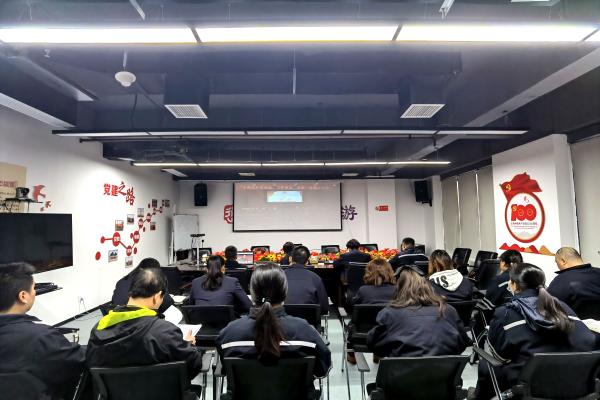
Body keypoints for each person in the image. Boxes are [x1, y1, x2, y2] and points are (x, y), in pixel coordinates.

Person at [475, 263, 596, 400]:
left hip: (528, 388)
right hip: (574, 384)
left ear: (514, 285)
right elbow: (587, 343)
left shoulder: (505, 313)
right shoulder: (563, 307)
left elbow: (499, 356)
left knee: (487, 364)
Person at [216, 264, 331, 399]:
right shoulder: (305, 331)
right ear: (285, 292)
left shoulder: (228, 334)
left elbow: (225, 369)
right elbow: (322, 369)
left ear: (252, 293)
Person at [87, 267, 204, 381]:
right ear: (156, 297)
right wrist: (189, 345)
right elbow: (193, 366)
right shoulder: (165, 331)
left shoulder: (98, 329)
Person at [0, 263, 86, 399]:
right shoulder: (41, 337)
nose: (35, 292)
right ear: (23, 296)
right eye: (34, 288)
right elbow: (79, 360)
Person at [367, 266, 470, 358]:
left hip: (402, 372)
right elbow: (463, 342)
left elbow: (374, 345)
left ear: (398, 288)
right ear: (427, 286)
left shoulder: (389, 313)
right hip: (446, 372)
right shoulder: (448, 310)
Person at [284, 246, 329, 315]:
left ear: (290, 259)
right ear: (307, 262)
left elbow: (271, 305)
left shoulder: (279, 276)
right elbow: (324, 308)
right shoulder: (316, 278)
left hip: (282, 320)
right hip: (309, 321)